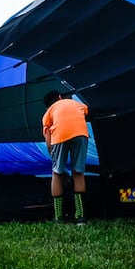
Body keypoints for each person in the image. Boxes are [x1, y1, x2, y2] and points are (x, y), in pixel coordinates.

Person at [42, 90, 91, 224]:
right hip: (81, 134)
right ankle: (80, 216)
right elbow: (86, 110)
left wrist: (51, 151)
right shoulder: (74, 103)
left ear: (48, 105)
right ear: (60, 97)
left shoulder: (48, 112)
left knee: (56, 173)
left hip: (59, 136)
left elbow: (47, 133)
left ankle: (59, 217)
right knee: (78, 173)